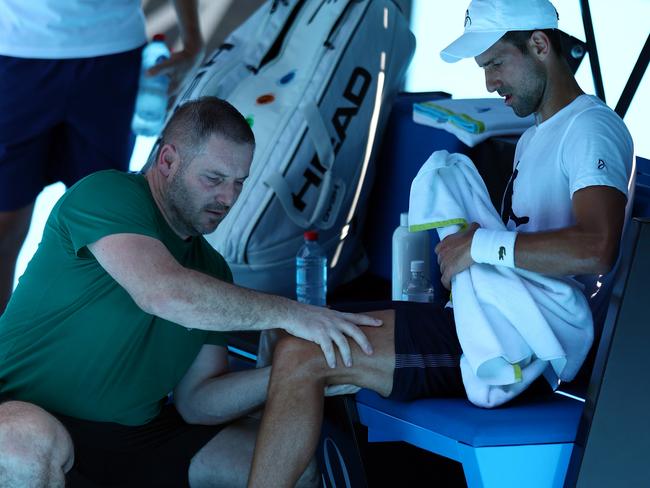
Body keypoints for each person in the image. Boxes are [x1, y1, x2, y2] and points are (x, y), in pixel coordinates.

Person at [247, 0, 634, 486]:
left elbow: (596, 247)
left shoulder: (590, 128)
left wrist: (478, 248)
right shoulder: (538, 135)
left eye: (495, 63)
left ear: (539, 45)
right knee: (290, 335)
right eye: (484, 68)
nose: (489, 83)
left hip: (529, 344)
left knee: (305, 354)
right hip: (495, 319)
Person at [0, 97, 381, 487]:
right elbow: (163, 292)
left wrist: (297, 372)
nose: (228, 199)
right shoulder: (107, 193)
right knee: (25, 441)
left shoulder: (212, 269)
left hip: (135, 439)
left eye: (239, 183)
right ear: (167, 162)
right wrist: (292, 313)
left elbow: (198, 400)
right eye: (214, 179)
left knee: (290, 464)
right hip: (23, 411)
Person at [0, 0, 205, 314]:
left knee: (103, 231)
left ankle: (83, 356)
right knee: (5, 225)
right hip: (14, 50)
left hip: (112, 52)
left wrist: (193, 40)